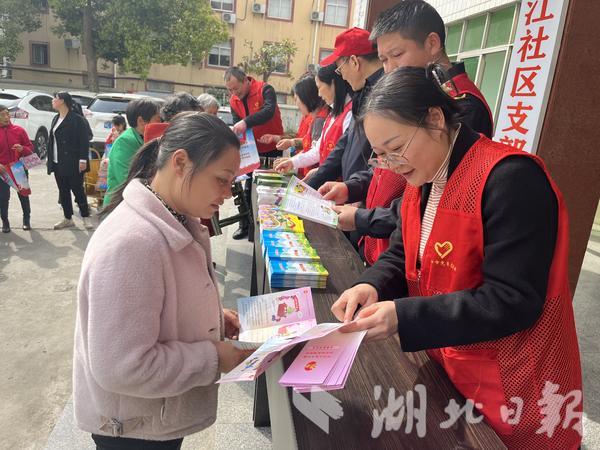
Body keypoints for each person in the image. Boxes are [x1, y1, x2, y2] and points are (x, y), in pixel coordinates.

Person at [332, 66, 583, 449]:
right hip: (454, 369)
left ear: (435, 118)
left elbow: (511, 299)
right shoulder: (424, 180)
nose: (393, 164)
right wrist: (371, 284)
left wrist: (404, 315)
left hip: (516, 385)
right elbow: (403, 254)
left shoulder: (509, 178)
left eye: (396, 148)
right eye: (381, 156)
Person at [76, 112, 252, 449]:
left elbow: (164, 305)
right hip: (133, 429)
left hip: (155, 413)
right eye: (222, 179)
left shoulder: (174, 216)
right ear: (181, 163)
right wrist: (214, 358)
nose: (228, 193)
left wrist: (215, 319)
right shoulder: (132, 244)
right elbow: (122, 367)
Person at [321, 0, 494, 265]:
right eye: (383, 60)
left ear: (432, 44)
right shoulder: (413, 96)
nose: (389, 69)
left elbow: (432, 199)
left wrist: (363, 219)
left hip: (414, 256)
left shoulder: (462, 106)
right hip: (385, 246)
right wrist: (351, 187)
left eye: (397, 55)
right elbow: (386, 168)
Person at [304, 27, 384, 193]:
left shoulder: (385, 95)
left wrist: (354, 192)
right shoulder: (363, 92)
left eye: (340, 69)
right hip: (355, 192)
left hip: (368, 198)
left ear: (354, 61)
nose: (342, 76)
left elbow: (385, 165)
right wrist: (312, 184)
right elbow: (345, 144)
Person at [225, 66, 284, 239]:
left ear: (246, 80)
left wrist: (246, 122)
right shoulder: (233, 101)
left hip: (272, 148)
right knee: (247, 187)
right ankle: (246, 225)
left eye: (236, 88)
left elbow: (268, 111)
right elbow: (237, 124)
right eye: (230, 90)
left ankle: (268, 227)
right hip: (251, 150)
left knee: (269, 190)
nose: (234, 93)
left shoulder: (265, 89)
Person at [273, 64, 353, 178]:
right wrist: (293, 162)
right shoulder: (331, 115)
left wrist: (317, 171)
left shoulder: (349, 114)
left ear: (333, 84)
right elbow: (318, 150)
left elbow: (342, 158)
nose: (319, 94)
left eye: (320, 87)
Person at [264, 75, 328, 178]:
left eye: (296, 98)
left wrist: (292, 160)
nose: (296, 104)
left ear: (306, 97)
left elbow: (315, 152)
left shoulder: (320, 119)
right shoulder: (316, 118)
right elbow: (309, 144)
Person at [48, 91, 93, 230]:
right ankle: (68, 218)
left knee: (77, 190)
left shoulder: (77, 119)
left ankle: (85, 217)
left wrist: (83, 160)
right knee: (63, 190)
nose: (52, 101)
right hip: (57, 161)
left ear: (62, 101)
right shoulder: (56, 118)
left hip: (73, 161)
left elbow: (84, 141)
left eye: (55, 98)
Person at [103, 98, 161, 206]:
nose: (161, 123)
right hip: (120, 205)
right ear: (141, 121)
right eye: (158, 119)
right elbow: (127, 179)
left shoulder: (145, 139)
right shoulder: (125, 142)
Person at [0, 104, 33, 232]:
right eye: (2, 115)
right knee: (3, 197)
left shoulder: (19, 130)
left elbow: (30, 148)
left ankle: (26, 220)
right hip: (2, 170)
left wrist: (22, 149)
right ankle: (5, 222)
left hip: (18, 168)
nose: (6, 117)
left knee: (23, 195)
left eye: (7, 114)